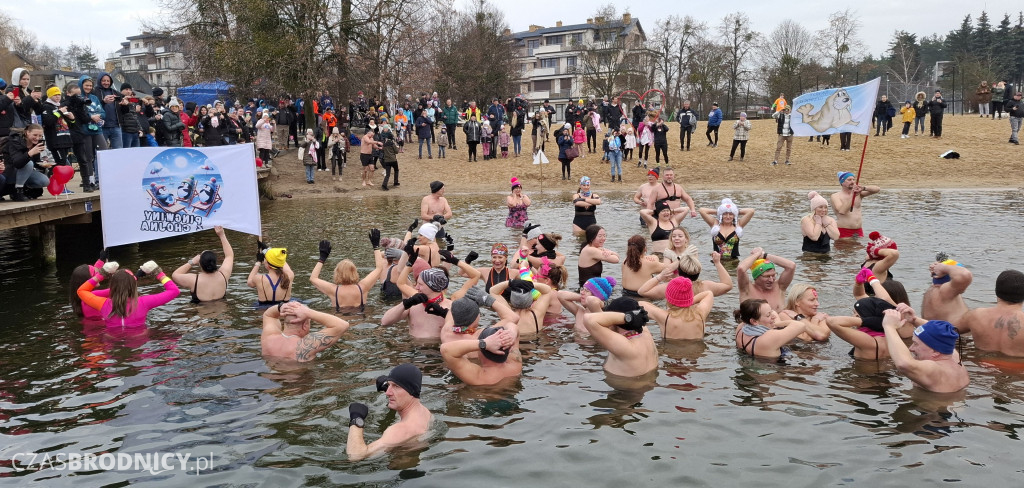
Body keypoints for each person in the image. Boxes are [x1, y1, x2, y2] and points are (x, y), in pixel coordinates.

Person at [346, 363, 432, 460]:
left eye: (396, 386)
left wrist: (357, 418)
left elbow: (355, 456)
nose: (387, 393)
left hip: (398, 463)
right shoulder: (424, 412)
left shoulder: (399, 431)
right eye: (389, 385)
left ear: (411, 390)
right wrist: (392, 386)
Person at [827, 270, 916, 360]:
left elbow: (885, 299)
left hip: (866, 368)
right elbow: (860, 295)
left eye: (876, 296)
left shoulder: (905, 321)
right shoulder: (890, 329)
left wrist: (872, 279)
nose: (874, 299)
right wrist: (858, 282)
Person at [882, 312, 968, 393]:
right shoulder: (953, 356)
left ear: (935, 351)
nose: (910, 348)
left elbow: (904, 364)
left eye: (916, 344)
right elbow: (941, 332)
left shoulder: (934, 369)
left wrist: (889, 326)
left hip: (934, 408)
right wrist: (914, 320)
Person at [77, 260, 180, 328]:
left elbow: (81, 291)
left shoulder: (103, 304)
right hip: (139, 341)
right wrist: (158, 273)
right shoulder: (144, 302)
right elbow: (174, 291)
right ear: (134, 285)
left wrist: (101, 274)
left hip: (112, 342)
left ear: (112, 286)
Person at [309, 235, 387, 313]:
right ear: (355, 272)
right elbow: (379, 268)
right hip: (360, 321)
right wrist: (376, 246)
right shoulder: (363, 287)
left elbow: (313, 278)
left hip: (340, 322)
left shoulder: (333, 290)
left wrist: (322, 259)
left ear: (337, 273)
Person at [583, 297, 659, 377]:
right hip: (645, 382)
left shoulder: (625, 346)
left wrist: (627, 317)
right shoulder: (644, 331)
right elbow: (592, 301)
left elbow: (589, 319)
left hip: (624, 388)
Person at [955, 270, 1024, 355]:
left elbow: (945, 330)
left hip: (982, 365)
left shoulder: (975, 315)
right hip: (1017, 367)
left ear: (996, 291)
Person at [261, 301, 351, 362]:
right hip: (298, 385)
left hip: (272, 380)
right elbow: (343, 325)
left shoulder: (268, 337)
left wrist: (281, 306)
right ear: (305, 325)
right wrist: (309, 313)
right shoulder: (305, 345)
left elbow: (268, 315)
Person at [171, 226, 234, 303]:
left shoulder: (194, 280)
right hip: (222, 312)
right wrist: (222, 235)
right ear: (215, 262)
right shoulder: (224, 275)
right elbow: (229, 255)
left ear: (200, 264)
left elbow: (175, 274)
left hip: (202, 313)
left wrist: (192, 262)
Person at [640, 276, 713, 340]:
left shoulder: (665, 317)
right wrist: (688, 301)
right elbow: (709, 293)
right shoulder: (700, 313)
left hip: (672, 354)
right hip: (696, 354)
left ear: (668, 298)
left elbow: (640, 304)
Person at [734, 299, 808, 359]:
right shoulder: (769, 337)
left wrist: (770, 319)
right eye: (768, 315)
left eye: (771, 312)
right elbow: (801, 325)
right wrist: (777, 323)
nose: (773, 316)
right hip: (774, 373)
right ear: (754, 321)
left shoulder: (740, 328)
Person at [1, 123, 51, 201]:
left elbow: (36, 162)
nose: (37, 138)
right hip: (10, 170)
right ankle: (18, 191)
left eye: (40, 136)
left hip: (25, 171)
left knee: (44, 181)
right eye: (35, 135)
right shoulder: (15, 141)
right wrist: (30, 153)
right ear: (27, 132)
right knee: (28, 163)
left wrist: (43, 164)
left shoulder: (37, 143)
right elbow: (17, 163)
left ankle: (23, 188)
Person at [737, 247, 797, 312]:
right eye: (767, 276)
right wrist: (757, 254)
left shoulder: (779, 287)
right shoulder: (747, 290)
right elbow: (741, 269)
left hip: (779, 321)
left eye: (773, 275)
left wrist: (764, 255)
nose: (771, 280)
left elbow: (791, 266)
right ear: (756, 277)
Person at [921, 255, 972, 323]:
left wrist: (943, 267)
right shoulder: (937, 288)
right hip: (938, 330)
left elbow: (965, 275)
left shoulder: (947, 290)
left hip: (952, 331)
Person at [830, 171, 880, 238]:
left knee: (860, 248)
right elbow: (842, 211)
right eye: (849, 180)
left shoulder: (859, 194)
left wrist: (864, 188)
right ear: (842, 182)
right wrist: (852, 195)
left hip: (858, 231)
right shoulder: (835, 196)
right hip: (844, 230)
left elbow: (877, 189)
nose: (853, 182)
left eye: (853, 179)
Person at [379, 124, 400, 190]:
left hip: (387, 160)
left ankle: (384, 185)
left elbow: (382, 151)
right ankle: (395, 182)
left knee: (388, 174)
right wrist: (397, 148)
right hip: (393, 159)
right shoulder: (392, 144)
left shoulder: (384, 145)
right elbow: (396, 151)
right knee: (396, 170)